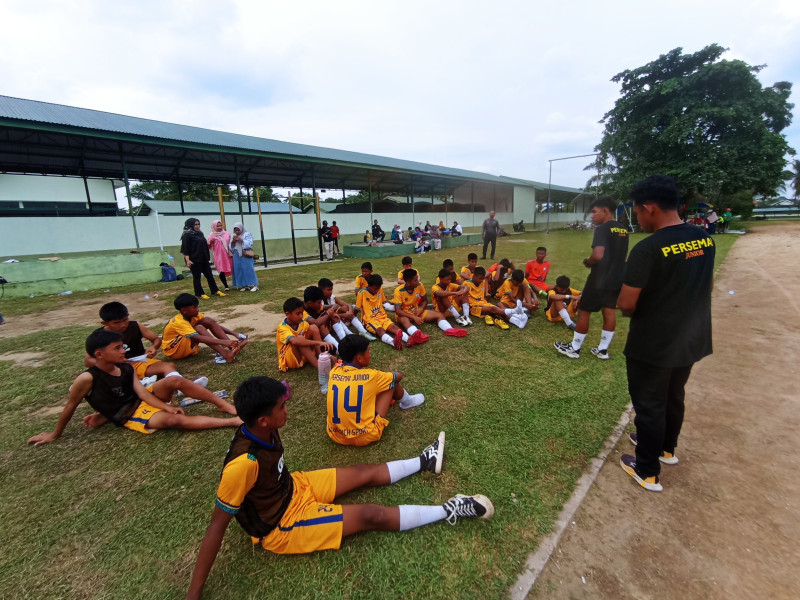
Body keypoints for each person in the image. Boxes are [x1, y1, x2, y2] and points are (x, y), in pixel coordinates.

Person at [184, 376, 494, 599]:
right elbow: (216, 526)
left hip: (293, 488)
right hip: (282, 524)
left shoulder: (260, 427)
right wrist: (193, 594)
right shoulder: (243, 464)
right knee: (372, 516)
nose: (287, 410)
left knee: (362, 472)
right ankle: (449, 509)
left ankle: (424, 462)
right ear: (264, 420)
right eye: (282, 406)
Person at [616, 174, 715, 493]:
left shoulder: (648, 249)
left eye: (638, 212)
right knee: (674, 394)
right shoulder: (704, 238)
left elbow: (627, 303)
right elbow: (706, 286)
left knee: (649, 405)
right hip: (690, 337)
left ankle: (647, 471)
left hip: (654, 342)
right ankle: (666, 448)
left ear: (650, 208)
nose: (639, 219)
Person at [26, 330, 241, 446]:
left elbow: (140, 393)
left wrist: (166, 406)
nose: (123, 351)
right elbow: (70, 407)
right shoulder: (87, 378)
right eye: (117, 348)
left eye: (122, 347)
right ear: (99, 354)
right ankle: (232, 422)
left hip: (142, 399)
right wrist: (55, 434)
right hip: (129, 413)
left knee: (175, 380)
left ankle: (223, 405)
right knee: (174, 420)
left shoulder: (125, 367)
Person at [554, 197, 629, 360]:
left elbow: (598, 255)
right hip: (616, 278)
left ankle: (574, 348)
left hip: (599, 278)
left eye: (595, 212)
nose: (592, 216)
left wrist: (588, 262)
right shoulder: (623, 229)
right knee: (609, 311)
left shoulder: (602, 229)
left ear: (605, 211)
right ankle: (602, 350)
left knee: (584, 312)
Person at [327, 335, 425, 446]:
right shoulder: (371, 376)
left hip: (336, 434)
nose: (370, 354)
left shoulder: (334, 371)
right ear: (359, 358)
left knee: (368, 389)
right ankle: (407, 401)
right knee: (390, 382)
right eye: (368, 351)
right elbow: (398, 376)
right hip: (365, 435)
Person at [88, 301, 180, 381]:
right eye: (117, 322)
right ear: (105, 323)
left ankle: (177, 384)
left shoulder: (135, 326)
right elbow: (88, 360)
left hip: (138, 363)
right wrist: (113, 363)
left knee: (169, 366)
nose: (123, 325)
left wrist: (153, 347)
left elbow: (156, 339)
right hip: (115, 368)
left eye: (125, 320)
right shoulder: (100, 336)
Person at [162, 294, 248, 364]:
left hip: (184, 343)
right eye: (194, 307)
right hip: (175, 351)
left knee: (207, 320)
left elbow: (214, 325)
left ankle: (232, 347)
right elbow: (197, 337)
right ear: (184, 310)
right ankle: (226, 354)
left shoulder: (194, 315)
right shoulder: (178, 322)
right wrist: (223, 342)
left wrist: (234, 334)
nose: (197, 309)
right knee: (199, 328)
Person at [393, 269, 467, 342]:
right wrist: (414, 317)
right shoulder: (398, 290)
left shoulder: (419, 285)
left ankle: (449, 329)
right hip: (404, 314)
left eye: (417, 279)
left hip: (416, 311)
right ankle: (416, 334)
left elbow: (425, 300)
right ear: (408, 282)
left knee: (440, 315)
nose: (418, 281)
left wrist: (421, 311)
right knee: (404, 320)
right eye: (415, 280)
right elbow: (398, 311)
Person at [276, 297, 335, 372]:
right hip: (291, 360)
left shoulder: (302, 323)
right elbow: (294, 341)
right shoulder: (282, 327)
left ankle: (322, 357)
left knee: (313, 327)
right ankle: (321, 368)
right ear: (288, 314)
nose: (301, 316)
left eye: (302, 313)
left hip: (303, 355)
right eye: (298, 313)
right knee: (300, 340)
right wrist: (319, 342)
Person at [356, 274, 409, 350]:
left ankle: (408, 339)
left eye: (378, 288)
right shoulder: (362, 293)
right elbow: (357, 308)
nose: (377, 290)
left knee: (394, 327)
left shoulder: (380, 290)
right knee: (380, 330)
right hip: (370, 320)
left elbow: (385, 302)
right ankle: (393, 342)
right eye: (375, 289)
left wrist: (395, 305)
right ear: (369, 285)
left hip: (382, 317)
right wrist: (352, 320)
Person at [181, 218, 224, 299]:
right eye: (195, 224)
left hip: (203, 258)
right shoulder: (187, 235)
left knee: (209, 275)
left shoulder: (200, 233)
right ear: (190, 225)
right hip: (194, 259)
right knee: (197, 277)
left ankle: (215, 290)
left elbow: (204, 245)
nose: (197, 226)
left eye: (198, 224)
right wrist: (188, 260)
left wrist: (210, 243)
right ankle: (199, 293)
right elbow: (186, 249)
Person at [303, 285, 342, 352]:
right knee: (319, 324)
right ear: (310, 303)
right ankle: (339, 349)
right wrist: (328, 313)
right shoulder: (302, 311)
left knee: (331, 315)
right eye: (319, 302)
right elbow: (316, 323)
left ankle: (344, 339)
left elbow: (335, 305)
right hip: (305, 340)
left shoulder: (314, 305)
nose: (320, 304)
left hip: (317, 337)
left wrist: (331, 311)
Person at [230, 222, 258, 292]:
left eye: (238, 230)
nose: (237, 232)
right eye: (235, 230)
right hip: (237, 255)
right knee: (239, 270)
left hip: (245, 254)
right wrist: (233, 242)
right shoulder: (233, 236)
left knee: (248, 269)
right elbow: (231, 247)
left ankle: (255, 285)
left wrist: (241, 240)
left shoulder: (247, 234)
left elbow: (249, 244)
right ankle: (245, 285)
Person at [207, 220, 232, 291]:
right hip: (219, 256)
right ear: (214, 226)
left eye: (221, 225)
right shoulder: (211, 235)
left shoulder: (227, 233)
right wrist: (210, 243)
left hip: (228, 254)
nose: (220, 227)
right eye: (218, 226)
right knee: (221, 270)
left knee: (233, 267)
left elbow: (231, 243)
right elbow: (209, 247)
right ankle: (226, 286)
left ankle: (239, 283)